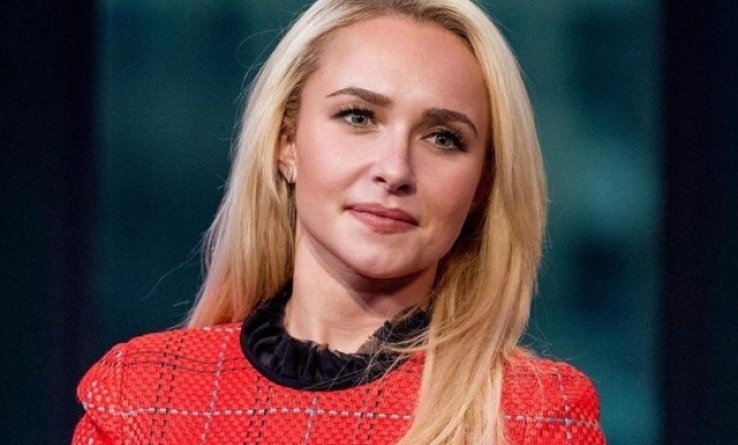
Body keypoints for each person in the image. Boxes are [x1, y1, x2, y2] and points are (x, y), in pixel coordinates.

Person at [72, 0, 605, 444]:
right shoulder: (142, 397)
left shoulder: (535, 415)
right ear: (286, 143)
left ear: (481, 187)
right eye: (358, 117)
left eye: (443, 138)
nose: (395, 170)